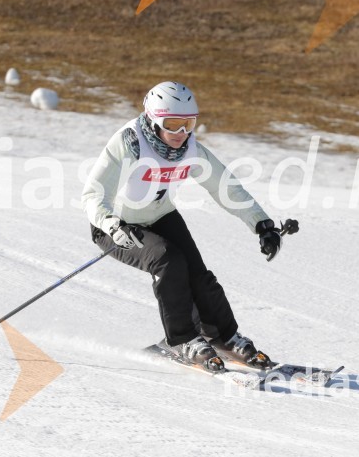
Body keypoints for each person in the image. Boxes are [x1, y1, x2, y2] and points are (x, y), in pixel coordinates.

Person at [81, 81, 286, 372]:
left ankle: (224, 337)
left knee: (196, 272)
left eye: (188, 123)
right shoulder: (129, 143)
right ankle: (181, 340)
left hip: (159, 214)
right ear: (153, 121)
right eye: (173, 124)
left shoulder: (190, 149)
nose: (181, 133)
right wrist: (113, 225)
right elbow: (93, 196)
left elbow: (225, 188)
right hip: (115, 226)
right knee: (168, 260)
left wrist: (262, 224)